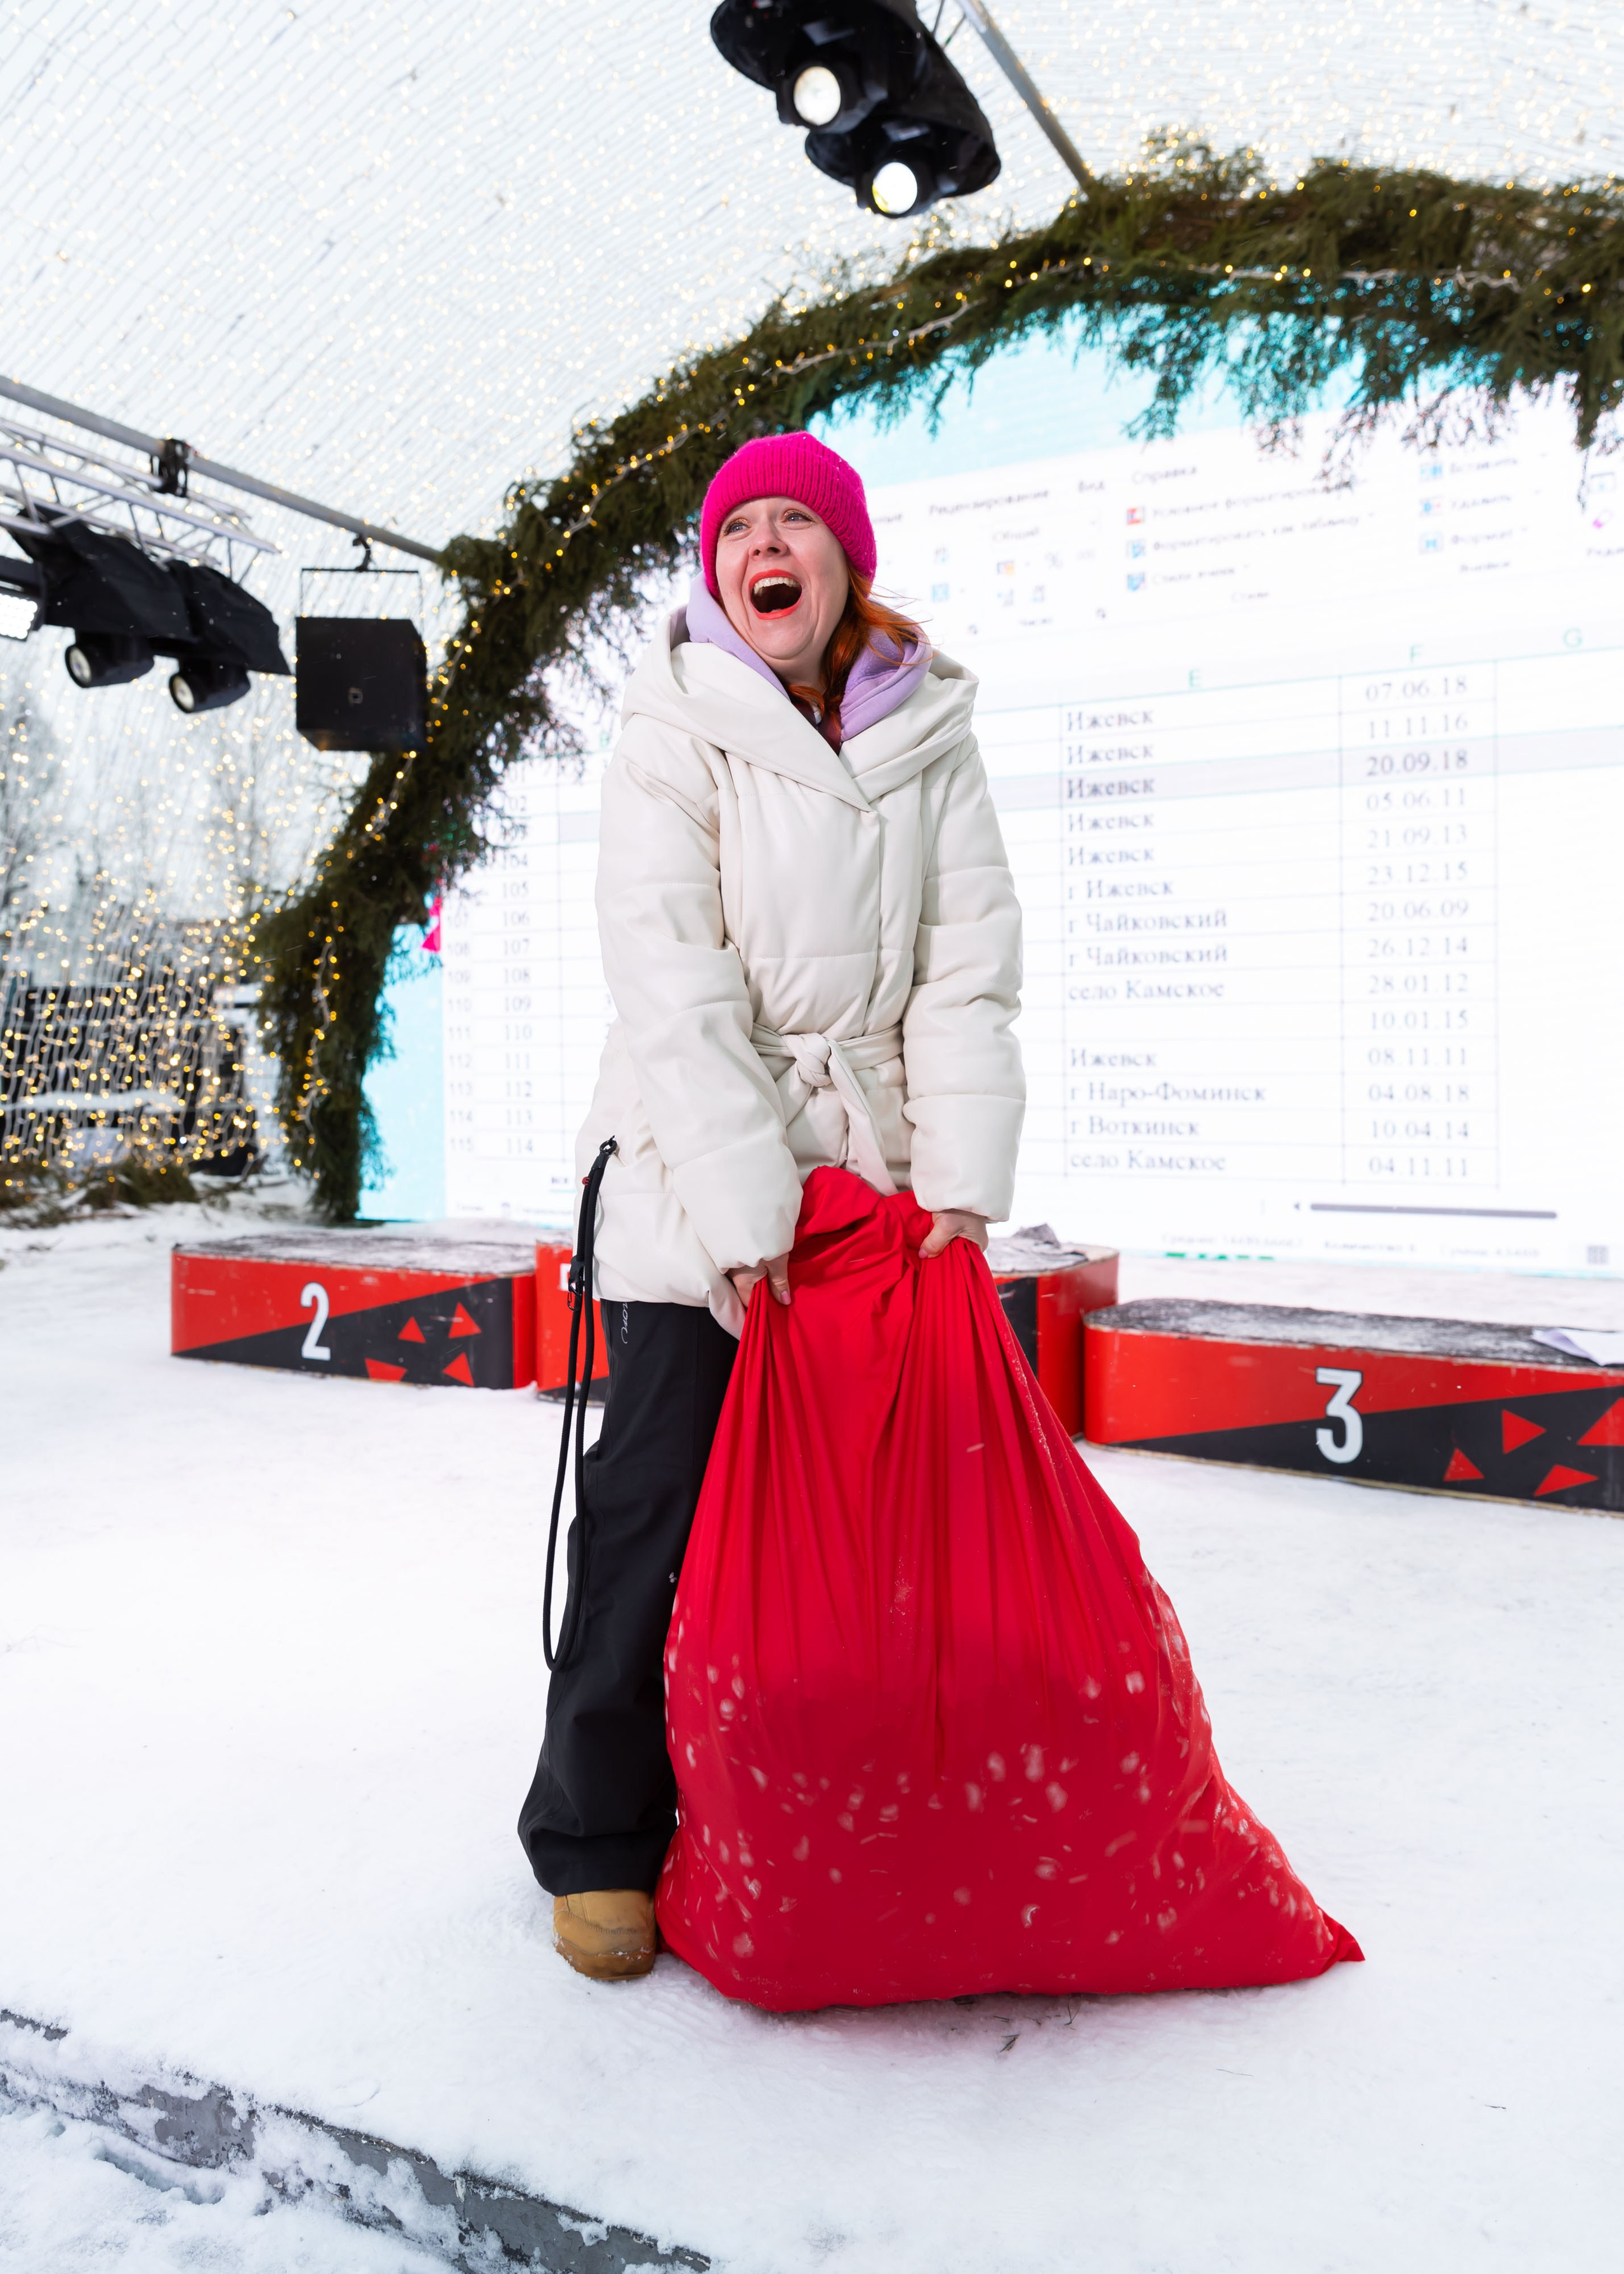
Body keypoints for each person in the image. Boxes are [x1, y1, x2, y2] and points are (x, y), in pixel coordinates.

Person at [517, 431, 1025, 1980]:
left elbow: (966, 964)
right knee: (654, 1512)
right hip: (694, 1182)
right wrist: (752, 1212)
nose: (768, 543)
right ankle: (602, 1835)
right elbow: (667, 979)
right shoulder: (670, 726)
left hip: (871, 1193)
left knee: (870, 1535)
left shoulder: (931, 726)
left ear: (844, 557)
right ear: (715, 571)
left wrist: (955, 1180)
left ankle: (824, 1812)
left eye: (798, 519)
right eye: (741, 525)